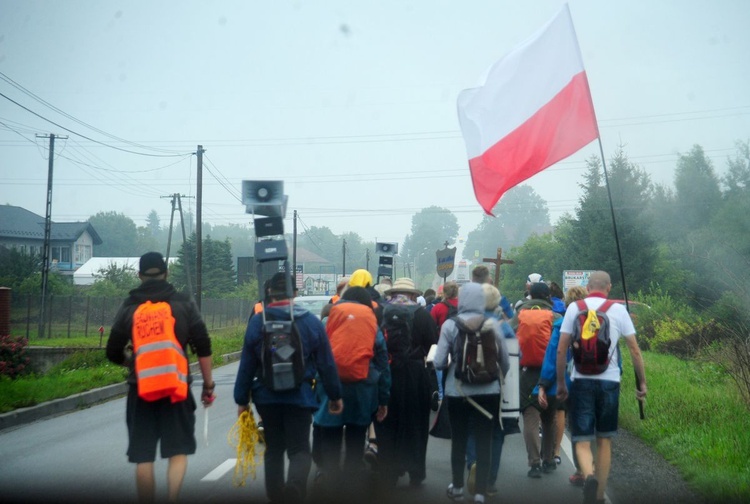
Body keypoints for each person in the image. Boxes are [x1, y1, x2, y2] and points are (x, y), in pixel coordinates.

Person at [106, 252, 215, 504]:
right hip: (176, 389)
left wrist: (133, 363)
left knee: (143, 456)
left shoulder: (130, 306)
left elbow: (112, 351)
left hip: (140, 390)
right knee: (177, 451)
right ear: (166, 273)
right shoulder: (183, 303)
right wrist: (208, 385)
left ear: (140, 275)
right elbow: (203, 345)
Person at [234, 272, 343, 504]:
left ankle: (275, 496)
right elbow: (326, 363)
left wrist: (242, 400)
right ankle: (294, 490)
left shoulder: (257, 322)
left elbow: (247, 365)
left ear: (270, 293)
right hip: (300, 397)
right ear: (295, 293)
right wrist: (335, 395)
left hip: (266, 398)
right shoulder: (310, 322)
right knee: (300, 450)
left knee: (273, 450)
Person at [556, 271, 647, 504]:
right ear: (609, 287)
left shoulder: (574, 308)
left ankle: (588, 476)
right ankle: (597, 496)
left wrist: (560, 383)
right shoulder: (618, 310)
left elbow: (561, 348)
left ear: (588, 287)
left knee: (582, 438)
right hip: (609, 382)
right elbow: (635, 351)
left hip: (581, 380)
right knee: (604, 439)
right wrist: (642, 383)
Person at [433, 282, 510, 504]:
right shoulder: (493, 325)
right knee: (484, 440)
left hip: (457, 391)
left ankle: (457, 487)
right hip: (489, 393)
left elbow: (438, 362)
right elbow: (504, 362)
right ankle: (480, 493)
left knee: (458, 440)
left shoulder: (450, 325)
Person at [314, 287, 390, 495]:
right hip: (362, 389)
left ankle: (329, 481)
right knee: (357, 436)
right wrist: (383, 399)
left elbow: (316, 357)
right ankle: (351, 483)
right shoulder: (371, 323)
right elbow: (383, 364)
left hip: (331, 388)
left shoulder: (327, 320)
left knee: (330, 434)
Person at [375, 277, 438, 489]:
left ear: (392, 293)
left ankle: (388, 470)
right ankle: (415, 471)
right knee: (416, 423)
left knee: (387, 421)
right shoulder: (422, 315)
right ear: (413, 294)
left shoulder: (380, 313)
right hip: (414, 373)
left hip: (387, 371)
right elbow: (433, 345)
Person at [464, 283, 516, 497]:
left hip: (468, 385)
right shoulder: (503, 327)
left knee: (471, 429)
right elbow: (508, 360)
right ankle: (490, 480)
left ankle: (473, 464)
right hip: (494, 387)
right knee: (496, 432)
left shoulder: (463, 323)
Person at [510, 281, 561, 478]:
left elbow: (506, 333)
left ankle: (534, 463)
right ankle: (548, 459)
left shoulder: (520, 314)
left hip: (527, 372)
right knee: (549, 418)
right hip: (551, 373)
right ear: (548, 296)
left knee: (530, 417)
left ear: (530, 295)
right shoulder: (555, 317)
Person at [557, 285, 589, 486]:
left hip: (575, 372)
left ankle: (581, 469)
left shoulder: (570, 313)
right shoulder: (596, 313)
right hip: (601, 372)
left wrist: (560, 381)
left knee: (577, 421)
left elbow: (561, 347)